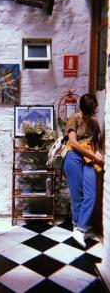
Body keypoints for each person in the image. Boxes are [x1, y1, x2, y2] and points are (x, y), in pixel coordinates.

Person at [63, 93, 104, 248]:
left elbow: (98, 143)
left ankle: (79, 228)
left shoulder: (94, 123)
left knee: (91, 194)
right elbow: (73, 143)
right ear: (82, 108)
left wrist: (98, 153)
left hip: (89, 158)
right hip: (73, 156)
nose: (90, 114)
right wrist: (94, 156)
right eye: (89, 110)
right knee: (77, 195)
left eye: (92, 110)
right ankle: (79, 228)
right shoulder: (73, 119)